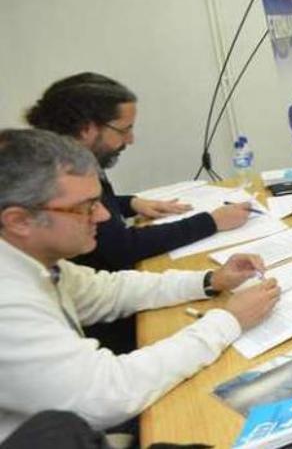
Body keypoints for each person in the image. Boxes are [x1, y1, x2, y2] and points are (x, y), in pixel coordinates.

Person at [0, 128, 280, 441]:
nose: (105, 215)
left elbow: (109, 291)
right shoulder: (7, 302)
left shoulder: (31, 260)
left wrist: (209, 280)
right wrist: (228, 321)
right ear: (19, 221)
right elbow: (107, 395)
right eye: (86, 206)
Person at [25, 73, 252, 354]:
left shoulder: (56, 267)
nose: (130, 139)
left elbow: (108, 289)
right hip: (110, 340)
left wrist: (130, 203)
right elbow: (119, 248)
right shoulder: (16, 309)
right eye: (123, 129)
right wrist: (228, 321)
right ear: (86, 129)